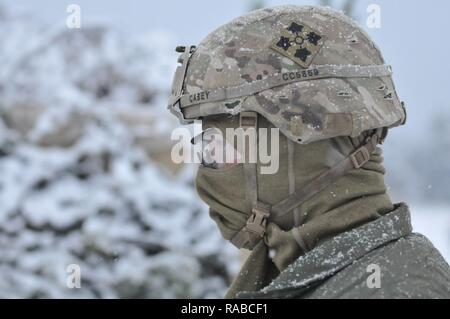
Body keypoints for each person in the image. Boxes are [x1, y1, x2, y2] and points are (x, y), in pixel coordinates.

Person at [168, 5, 450, 299]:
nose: (206, 174)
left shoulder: (393, 289)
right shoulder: (312, 277)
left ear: (299, 141)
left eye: (218, 147)